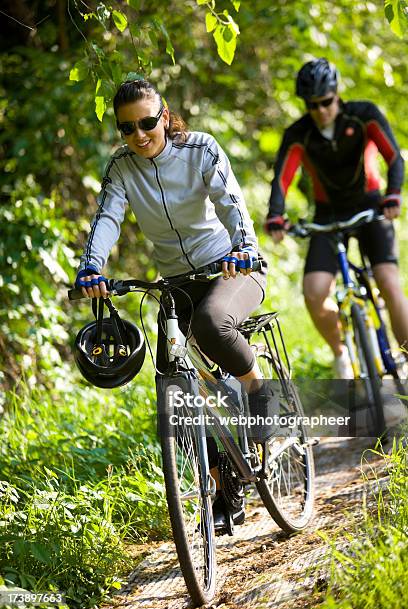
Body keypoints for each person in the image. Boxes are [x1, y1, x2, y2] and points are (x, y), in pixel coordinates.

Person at [74, 78, 273, 531]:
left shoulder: (201, 149)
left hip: (233, 269)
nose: (139, 135)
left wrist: (243, 246)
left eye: (147, 123)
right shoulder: (122, 167)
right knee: (176, 389)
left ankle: (261, 394)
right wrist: (91, 268)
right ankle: (227, 491)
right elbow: (107, 216)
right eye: (128, 128)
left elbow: (231, 201)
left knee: (210, 324)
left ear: (164, 116)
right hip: (176, 283)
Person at [265, 58, 407, 378]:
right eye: (312, 105)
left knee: (387, 282)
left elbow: (394, 157)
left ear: (337, 94)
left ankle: (406, 353)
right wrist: (276, 214)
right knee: (314, 292)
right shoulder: (299, 132)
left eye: (326, 102)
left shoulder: (363, 114)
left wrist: (393, 194)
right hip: (326, 214)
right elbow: (282, 178)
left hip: (370, 206)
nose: (320, 111)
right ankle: (340, 352)